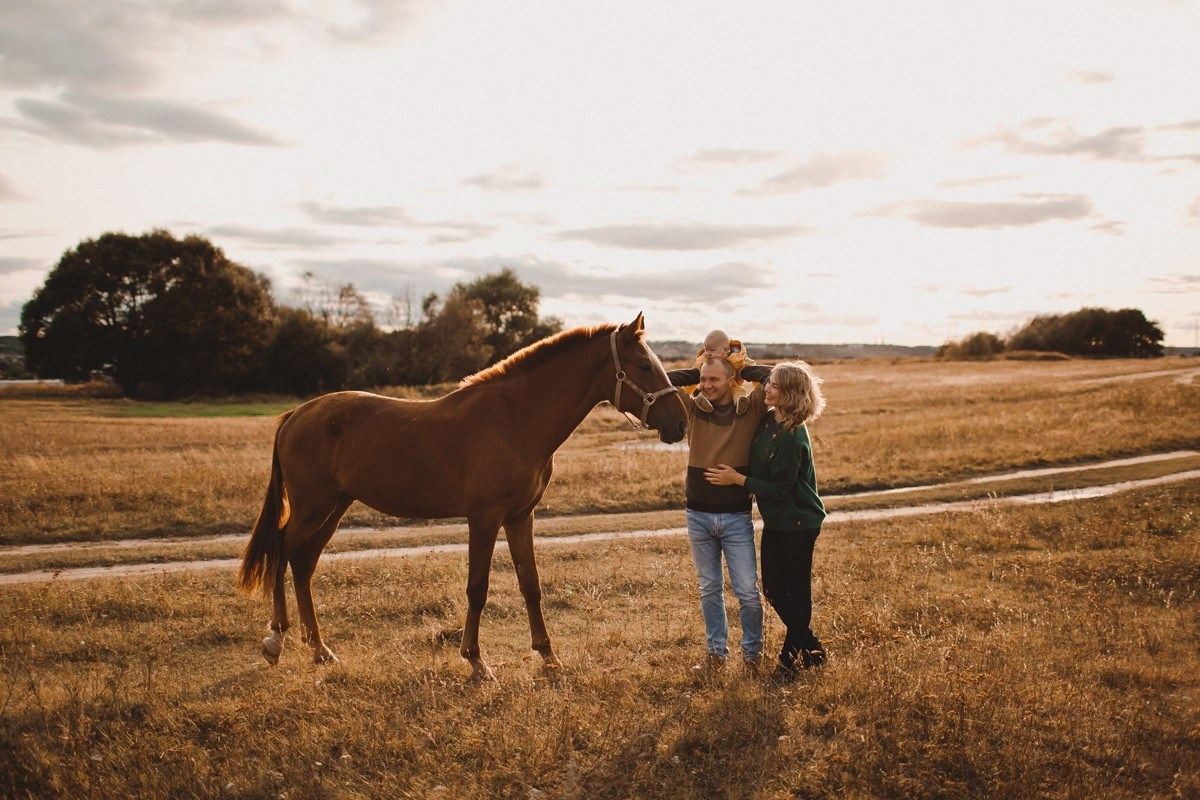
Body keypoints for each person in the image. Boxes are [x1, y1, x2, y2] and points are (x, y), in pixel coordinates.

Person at [704, 361, 828, 684]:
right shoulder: (769, 419)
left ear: (788, 395)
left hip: (799, 523)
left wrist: (737, 480)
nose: (766, 388)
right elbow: (764, 376)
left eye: (773, 386)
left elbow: (780, 490)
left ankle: (788, 663)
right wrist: (738, 363)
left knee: (797, 594)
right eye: (769, 383)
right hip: (777, 523)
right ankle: (812, 648)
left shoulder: (791, 435)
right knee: (773, 590)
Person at [667, 356, 773, 673]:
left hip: (735, 517)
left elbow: (774, 376)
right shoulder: (694, 408)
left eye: (715, 379)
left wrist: (741, 364)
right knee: (709, 589)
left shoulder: (752, 408)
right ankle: (716, 655)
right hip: (697, 515)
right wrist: (698, 365)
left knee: (747, 592)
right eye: (703, 379)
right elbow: (662, 381)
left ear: (732, 381)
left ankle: (753, 658)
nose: (707, 385)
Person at [687, 330, 754, 415]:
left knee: (739, 392)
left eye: (712, 350)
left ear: (725, 350)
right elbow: (693, 374)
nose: (707, 353)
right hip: (710, 392)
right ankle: (703, 402)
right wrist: (686, 392)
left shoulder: (735, 357)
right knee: (703, 392)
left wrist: (749, 371)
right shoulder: (704, 361)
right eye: (706, 350)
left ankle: (740, 403)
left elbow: (750, 365)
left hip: (733, 385)